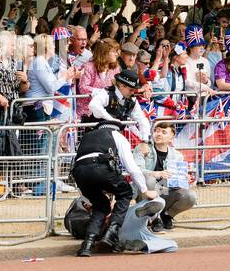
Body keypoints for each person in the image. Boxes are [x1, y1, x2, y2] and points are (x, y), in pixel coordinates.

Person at [70, 121, 156, 256]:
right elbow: (131, 166)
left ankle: (87, 244)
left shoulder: (87, 137)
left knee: (101, 205)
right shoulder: (117, 135)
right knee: (126, 193)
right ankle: (111, 233)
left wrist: (89, 199)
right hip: (100, 167)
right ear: (118, 129)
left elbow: (79, 161)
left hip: (79, 172)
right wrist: (144, 190)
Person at [139, 120, 196, 230]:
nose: (158, 134)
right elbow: (137, 170)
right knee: (150, 180)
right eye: (156, 131)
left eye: (164, 132)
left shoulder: (177, 155)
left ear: (172, 137)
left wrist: (184, 179)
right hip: (146, 192)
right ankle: (155, 219)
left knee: (191, 196)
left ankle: (166, 216)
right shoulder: (143, 149)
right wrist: (157, 174)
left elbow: (177, 180)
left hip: (165, 191)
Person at [83, 67, 151, 142]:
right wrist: (111, 120)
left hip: (115, 137)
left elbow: (141, 119)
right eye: (131, 90)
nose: (133, 92)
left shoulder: (132, 100)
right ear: (121, 86)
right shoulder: (106, 94)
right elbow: (93, 105)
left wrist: (145, 140)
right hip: (95, 137)